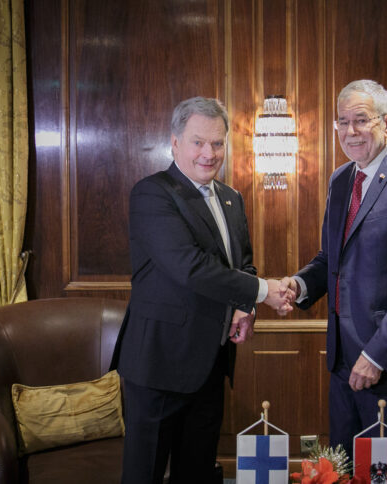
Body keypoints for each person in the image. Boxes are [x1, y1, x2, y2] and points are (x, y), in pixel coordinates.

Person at [111, 96, 293, 483]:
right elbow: (190, 268)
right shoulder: (152, 194)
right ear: (175, 142)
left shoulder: (231, 198)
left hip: (211, 360)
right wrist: (264, 290)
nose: (208, 154)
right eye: (197, 142)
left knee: (196, 471)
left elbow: (241, 263)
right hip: (158, 363)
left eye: (217, 143)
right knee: (144, 474)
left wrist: (247, 305)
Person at [281, 80, 387, 482]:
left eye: (361, 120)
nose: (350, 131)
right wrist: (298, 286)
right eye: (342, 122)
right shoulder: (341, 180)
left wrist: (377, 356)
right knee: (340, 466)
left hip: (385, 360)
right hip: (341, 358)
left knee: (381, 473)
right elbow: (329, 260)